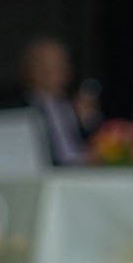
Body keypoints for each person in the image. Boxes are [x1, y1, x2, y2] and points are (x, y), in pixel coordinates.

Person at [20, 37, 100, 167]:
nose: (54, 72)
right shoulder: (22, 108)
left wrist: (88, 120)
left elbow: (99, 142)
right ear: (30, 70)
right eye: (45, 66)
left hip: (84, 173)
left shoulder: (75, 105)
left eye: (59, 65)